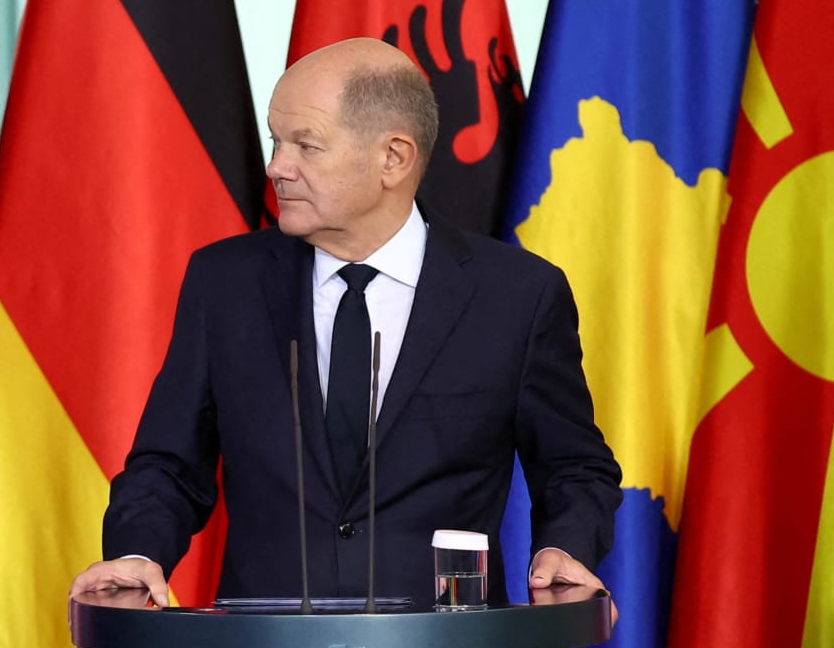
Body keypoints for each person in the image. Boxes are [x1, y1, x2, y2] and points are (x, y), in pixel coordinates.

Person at [70, 38, 620, 609]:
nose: (277, 167)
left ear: (394, 158)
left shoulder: (517, 294)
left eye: (306, 145)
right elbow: (169, 462)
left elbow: (574, 466)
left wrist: (564, 545)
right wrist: (137, 554)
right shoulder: (224, 282)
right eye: (276, 141)